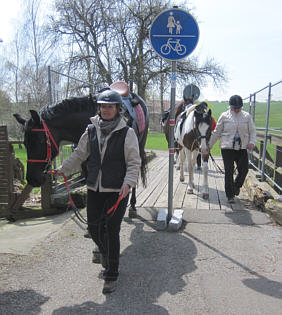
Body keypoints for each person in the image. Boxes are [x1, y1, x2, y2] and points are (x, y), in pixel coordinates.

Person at [55, 89, 141, 294]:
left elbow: (134, 162)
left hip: (117, 190)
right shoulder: (90, 130)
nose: (106, 109)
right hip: (95, 187)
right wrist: (62, 170)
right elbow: (79, 154)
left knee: (111, 230)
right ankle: (105, 253)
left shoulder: (127, 132)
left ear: (117, 109)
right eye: (103, 106)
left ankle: (111, 274)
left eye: (110, 106)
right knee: (94, 228)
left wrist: (128, 184)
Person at [208, 95, 256, 203]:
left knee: (244, 170)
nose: (236, 110)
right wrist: (209, 146)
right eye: (234, 108)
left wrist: (252, 142)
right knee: (228, 171)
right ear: (230, 106)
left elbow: (252, 131)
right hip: (227, 147)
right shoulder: (224, 116)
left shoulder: (247, 116)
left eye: (238, 107)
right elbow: (216, 133)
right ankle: (230, 195)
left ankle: (236, 185)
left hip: (242, 147)